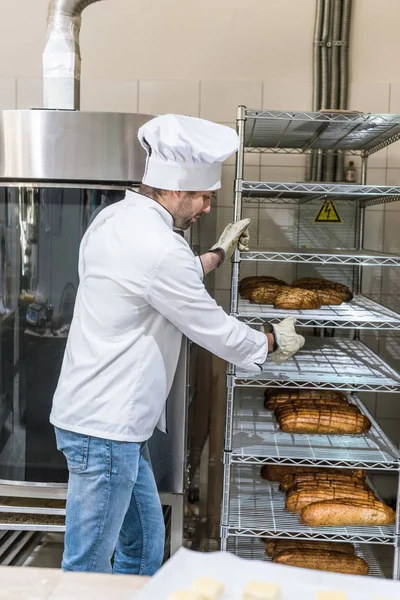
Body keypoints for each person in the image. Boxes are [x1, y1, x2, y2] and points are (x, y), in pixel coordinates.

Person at [50, 114, 304, 575]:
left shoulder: (117, 218)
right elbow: (208, 324)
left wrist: (220, 252)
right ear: (175, 192)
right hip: (105, 430)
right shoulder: (159, 249)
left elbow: (159, 281)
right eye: (205, 197)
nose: (208, 207)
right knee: (86, 566)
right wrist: (267, 342)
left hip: (110, 426)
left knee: (145, 545)